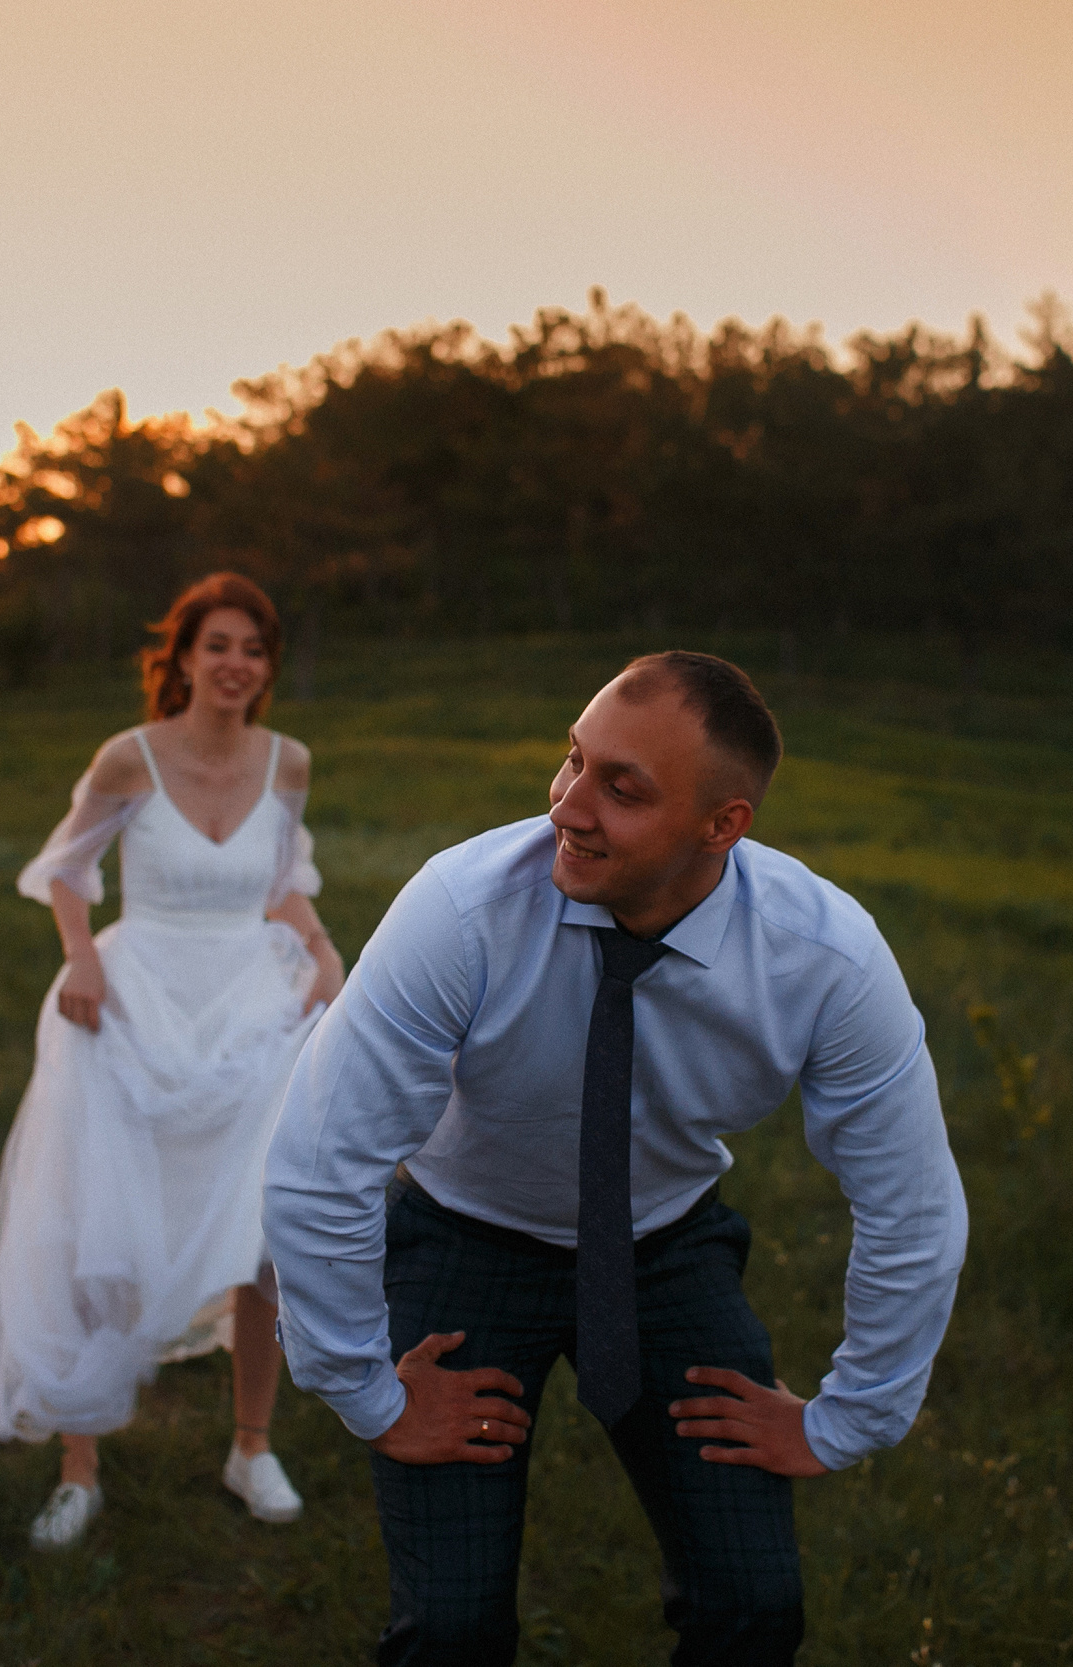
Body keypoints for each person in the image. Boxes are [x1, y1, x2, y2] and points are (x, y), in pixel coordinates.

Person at [264, 650, 968, 1665]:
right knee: (452, 1629)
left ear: (721, 826)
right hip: (460, 1237)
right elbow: (322, 1160)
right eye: (571, 761)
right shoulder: (462, 909)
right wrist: (364, 1391)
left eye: (620, 789)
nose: (567, 807)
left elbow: (910, 1206)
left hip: (664, 1248)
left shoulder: (825, 959)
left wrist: (848, 1418)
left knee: (757, 1607)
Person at [0, 572, 344, 1551]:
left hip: (250, 1011)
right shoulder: (129, 759)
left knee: (262, 1235)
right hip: (134, 1005)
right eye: (218, 644)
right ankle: (79, 1466)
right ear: (181, 656)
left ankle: (251, 1446)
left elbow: (281, 886)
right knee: (105, 1235)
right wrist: (82, 957)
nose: (236, 665)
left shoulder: (288, 763)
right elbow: (64, 870)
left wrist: (324, 949)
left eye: (254, 650)